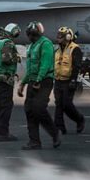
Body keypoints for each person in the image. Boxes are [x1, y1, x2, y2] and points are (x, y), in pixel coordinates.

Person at [18, 21, 60, 150]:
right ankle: (34, 142)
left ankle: (54, 133)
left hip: (44, 81)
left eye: (32, 34)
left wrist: (38, 80)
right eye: (31, 35)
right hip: (33, 81)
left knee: (38, 109)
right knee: (29, 111)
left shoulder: (45, 44)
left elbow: (45, 64)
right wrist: (23, 83)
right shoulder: (32, 46)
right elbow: (30, 68)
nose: (31, 37)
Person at [0, 23, 21, 142]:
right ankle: (3, 133)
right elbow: (6, 59)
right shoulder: (8, 43)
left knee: (0, 104)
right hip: (5, 78)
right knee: (6, 105)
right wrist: (16, 58)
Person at [53, 26, 85, 134]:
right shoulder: (57, 50)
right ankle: (59, 127)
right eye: (58, 36)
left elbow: (77, 66)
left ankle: (79, 119)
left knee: (66, 104)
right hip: (58, 80)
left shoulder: (75, 49)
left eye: (61, 36)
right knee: (58, 104)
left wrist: (73, 80)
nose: (58, 38)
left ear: (68, 36)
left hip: (68, 81)